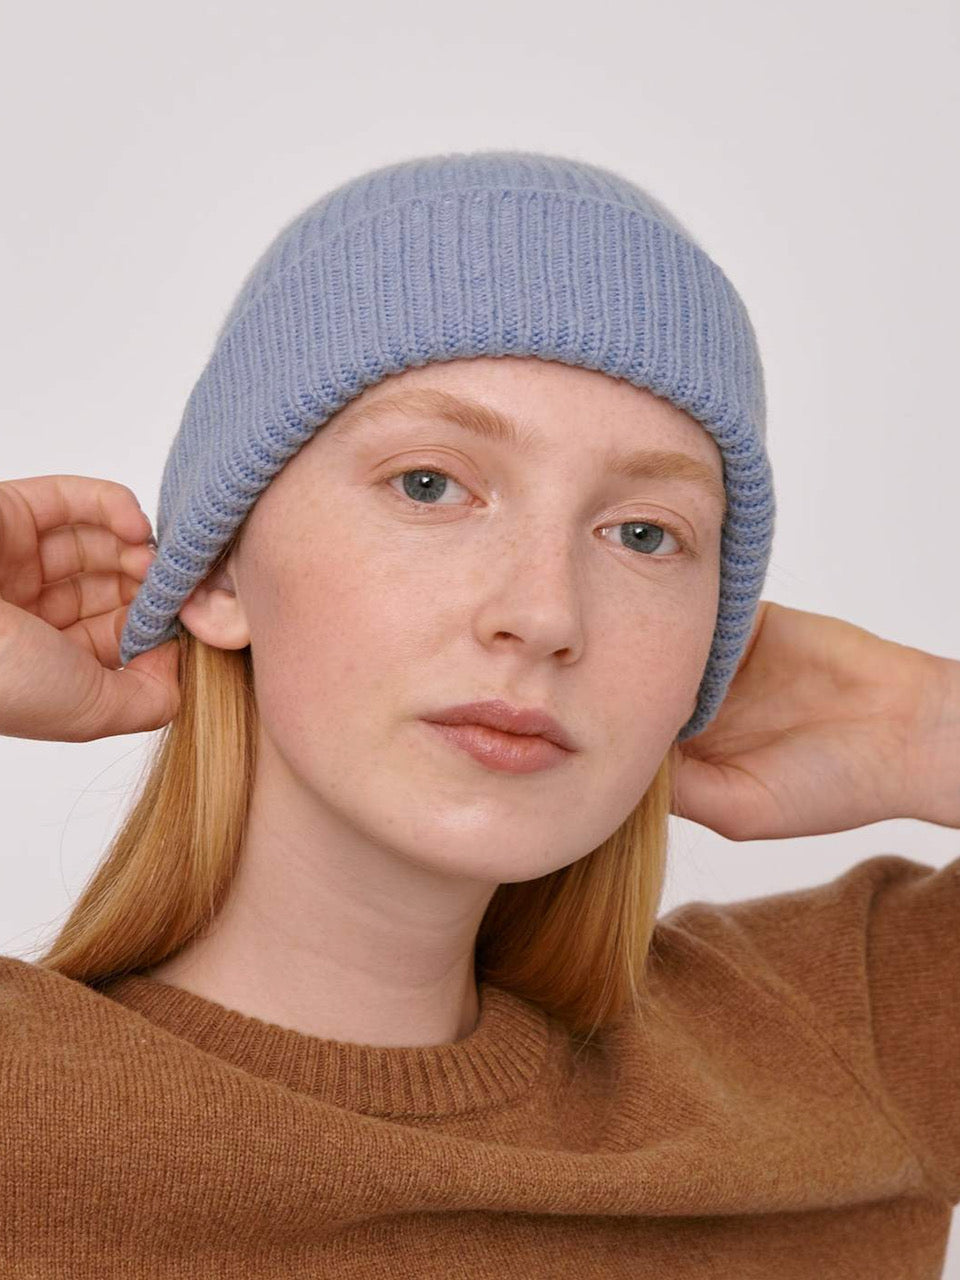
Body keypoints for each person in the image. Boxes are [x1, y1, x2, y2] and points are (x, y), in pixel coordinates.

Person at [0, 150, 956, 1278]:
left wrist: (923, 726)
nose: (544, 614)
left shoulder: (839, 1042)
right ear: (216, 567)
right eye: (429, 484)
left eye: (644, 534)